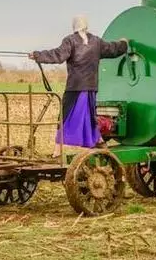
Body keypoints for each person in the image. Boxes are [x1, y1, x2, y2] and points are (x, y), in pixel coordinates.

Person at [29, 15, 129, 156]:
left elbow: (57, 55)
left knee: (65, 117)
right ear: (86, 26)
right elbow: (114, 49)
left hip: (75, 88)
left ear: (74, 26)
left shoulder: (70, 40)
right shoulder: (96, 42)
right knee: (89, 116)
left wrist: (38, 55)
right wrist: (124, 43)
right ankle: (99, 140)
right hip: (91, 88)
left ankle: (57, 151)